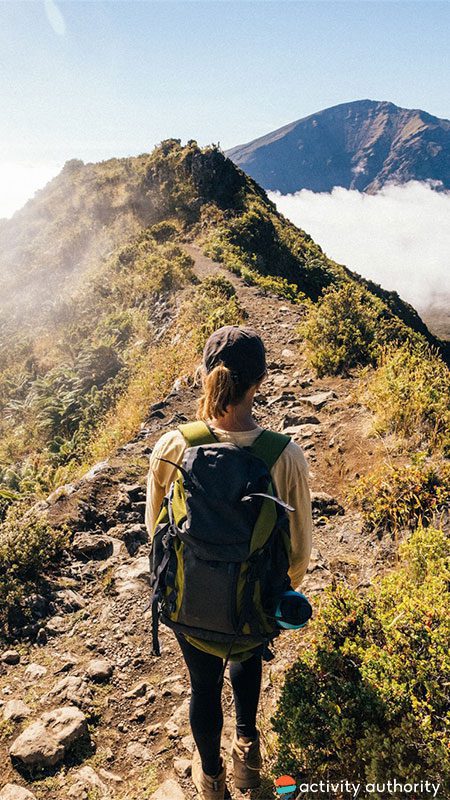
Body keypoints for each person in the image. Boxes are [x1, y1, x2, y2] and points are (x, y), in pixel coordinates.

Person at [145, 325, 312, 800]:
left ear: (206, 375)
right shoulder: (284, 457)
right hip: (255, 607)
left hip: (189, 606)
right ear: (260, 381)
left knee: (203, 685)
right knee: (247, 660)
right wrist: (269, 587)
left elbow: (155, 530)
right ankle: (248, 755)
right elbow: (299, 552)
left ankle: (212, 779)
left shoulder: (173, 447)